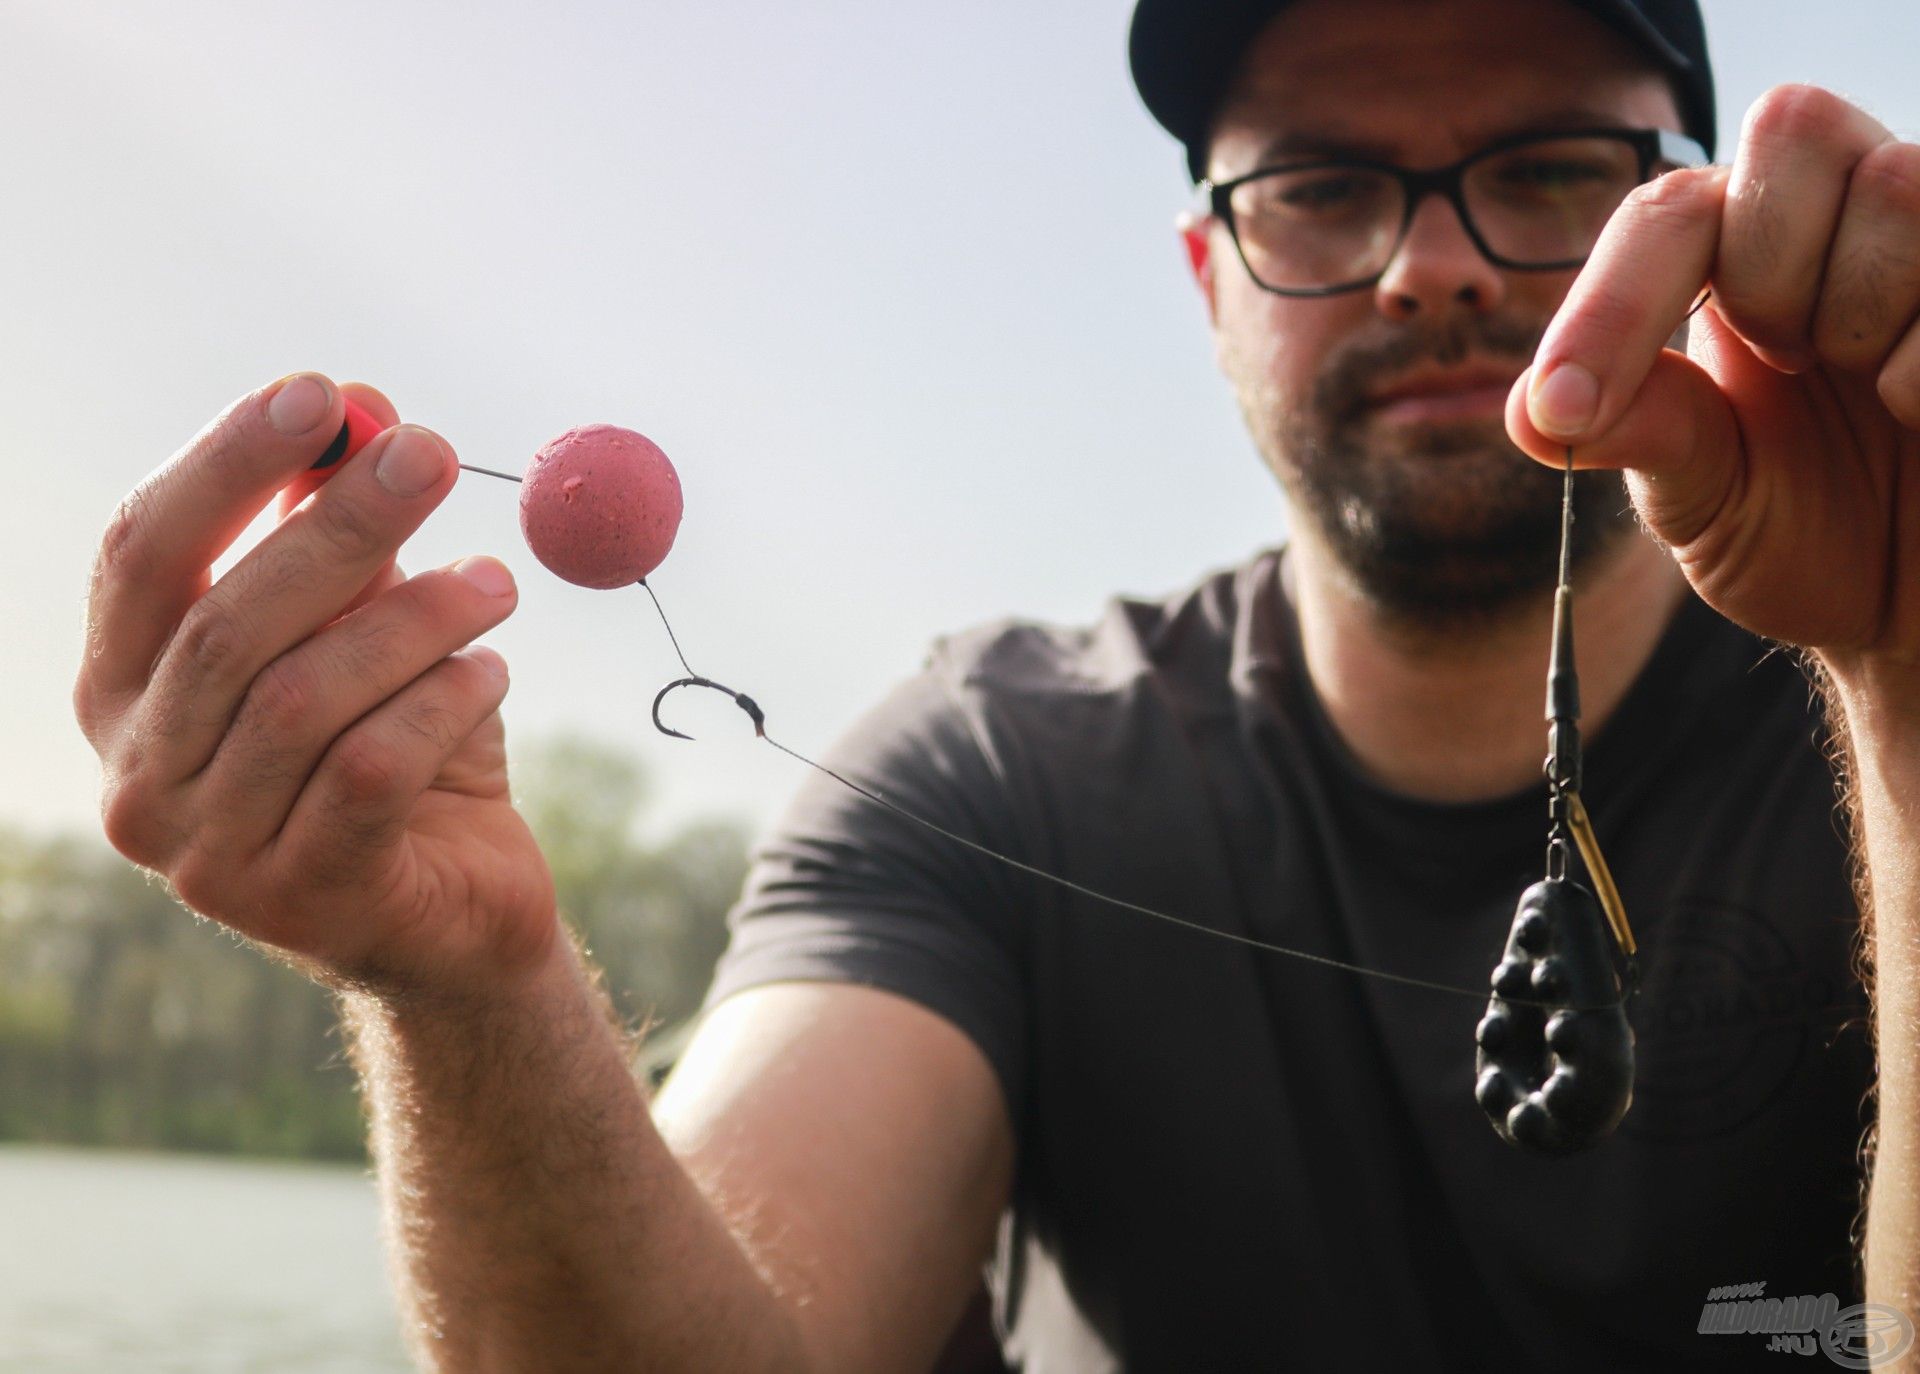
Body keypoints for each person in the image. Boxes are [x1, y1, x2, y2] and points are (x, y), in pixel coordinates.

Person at [69, 0, 1920, 1366]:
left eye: (1543, 171)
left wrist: (1910, 680)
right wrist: (468, 990)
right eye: (1322, 187)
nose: (1427, 266)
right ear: (1212, 281)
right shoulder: (987, 770)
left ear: (1697, 227)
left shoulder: (1891, 659)